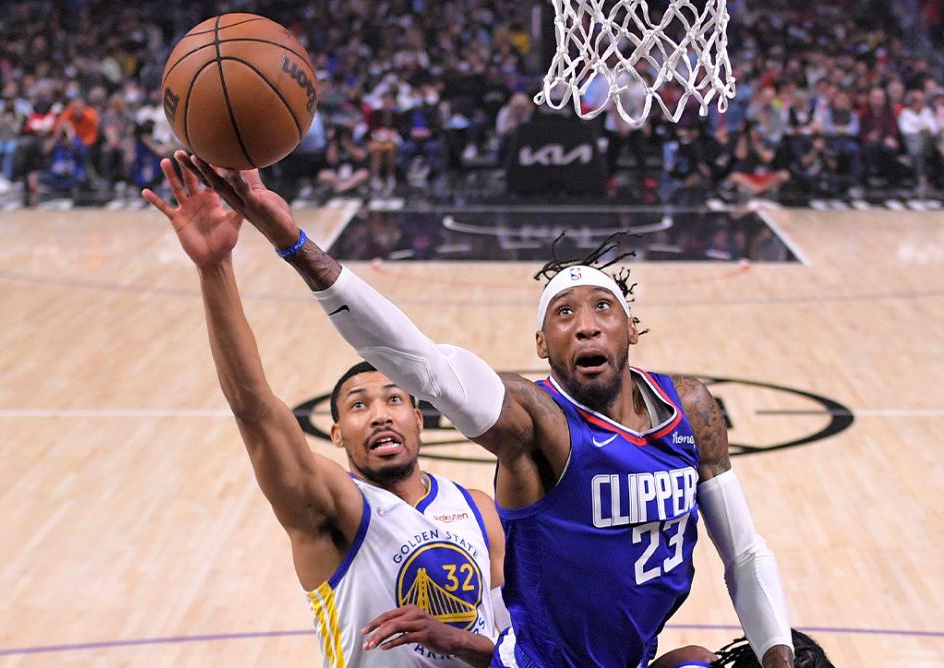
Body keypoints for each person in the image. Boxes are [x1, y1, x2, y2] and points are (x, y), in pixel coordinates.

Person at [176, 149, 795, 668]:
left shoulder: (691, 408)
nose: (585, 326)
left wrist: (778, 657)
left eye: (602, 309)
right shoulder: (536, 423)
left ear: (633, 328)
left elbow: (742, 552)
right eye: (564, 313)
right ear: (540, 345)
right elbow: (422, 364)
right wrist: (293, 241)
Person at [140, 159, 509, 667]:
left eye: (394, 399)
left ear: (420, 420)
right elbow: (254, 410)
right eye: (359, 405)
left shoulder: (477, 508)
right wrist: (215, 268)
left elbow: (512, 646)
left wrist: (455, 640)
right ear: (336, 433)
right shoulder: (335, 506)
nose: (380, 414)